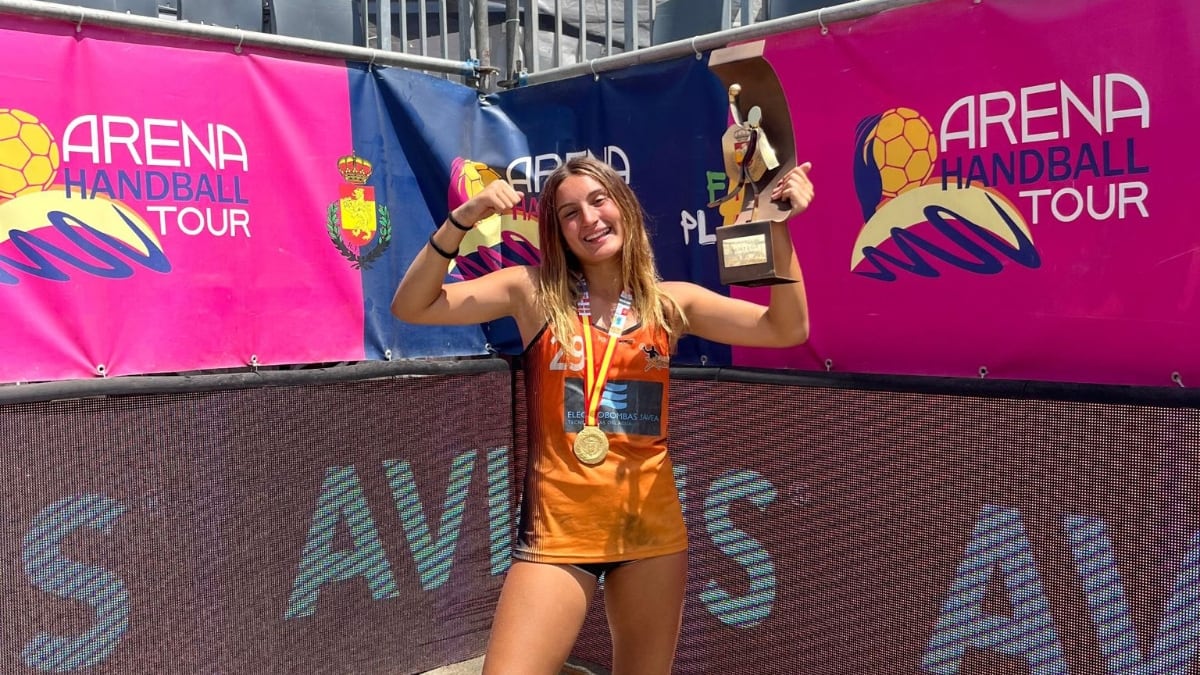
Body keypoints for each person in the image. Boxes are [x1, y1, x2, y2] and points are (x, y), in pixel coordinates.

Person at [392, 156, 814, 675]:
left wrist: (778, 229)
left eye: (598, 201)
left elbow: (785, 328)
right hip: (559, 538)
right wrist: (462, 219)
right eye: (570, 213)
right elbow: (413, 306)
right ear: (559, 232)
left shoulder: (668, 303)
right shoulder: (533, 292)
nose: (588, 220)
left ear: (624, 208)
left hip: (651, 536)